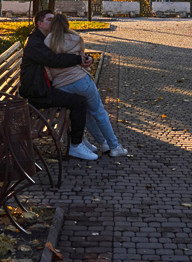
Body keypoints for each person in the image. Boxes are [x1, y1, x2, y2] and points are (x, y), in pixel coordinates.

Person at [45, 13, 129, 158]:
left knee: (86, 113)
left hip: (61, 86)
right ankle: (115, 146)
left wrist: (55, 80)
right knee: (98, 112)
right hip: (81, 81)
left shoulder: (47, 41)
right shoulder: (76, 39)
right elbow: (83, 61)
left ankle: (103, 142)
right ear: (67, 24)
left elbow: (47, 67)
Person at [19, 9, 98, 160]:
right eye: (49, 20)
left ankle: (79, 139)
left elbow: (69, 49)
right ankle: (76, 145)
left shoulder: (46, 38)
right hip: (37, 93)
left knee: (78, 96)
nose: (53, 22)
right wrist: (78, 60)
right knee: (79, 102)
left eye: (54, 19)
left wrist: (87, 58)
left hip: (43, 87)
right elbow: (54, 60)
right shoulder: (35, 43)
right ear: (39, 23)